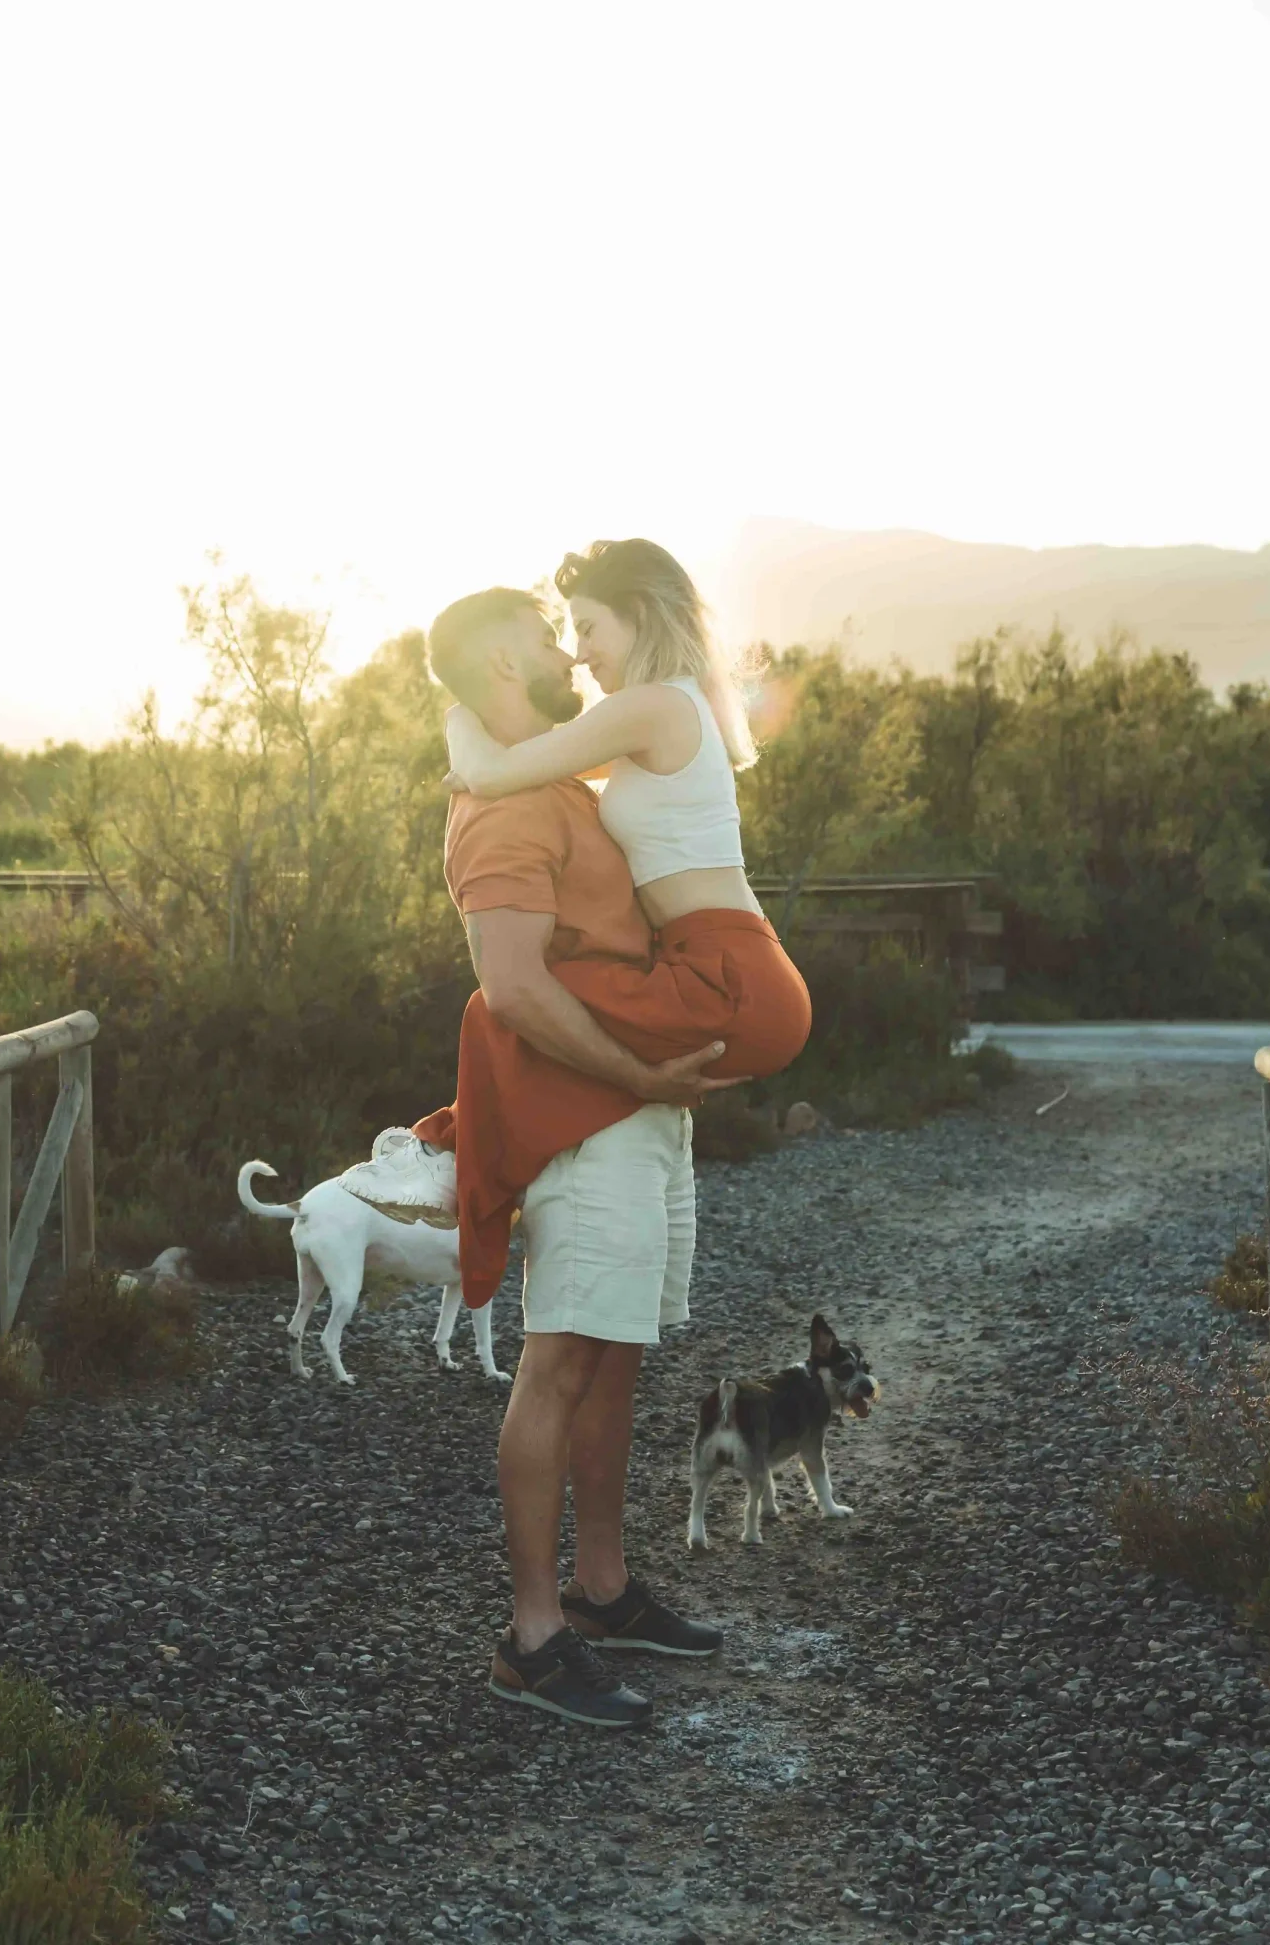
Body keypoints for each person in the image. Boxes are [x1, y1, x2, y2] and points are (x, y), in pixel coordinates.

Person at [412, 545, 811, 1730]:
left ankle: (600, 1588)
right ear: (499, 658)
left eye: (577, 622)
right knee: (562, 1358)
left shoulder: (572, 781)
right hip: (598, 1117)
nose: (564, 646)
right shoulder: (500, 806)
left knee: (616, 1353)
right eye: (548, 631)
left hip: (633, 1110)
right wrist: (639, 1065)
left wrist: (660, 1072)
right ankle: (534, 1640)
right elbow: (517, 991)